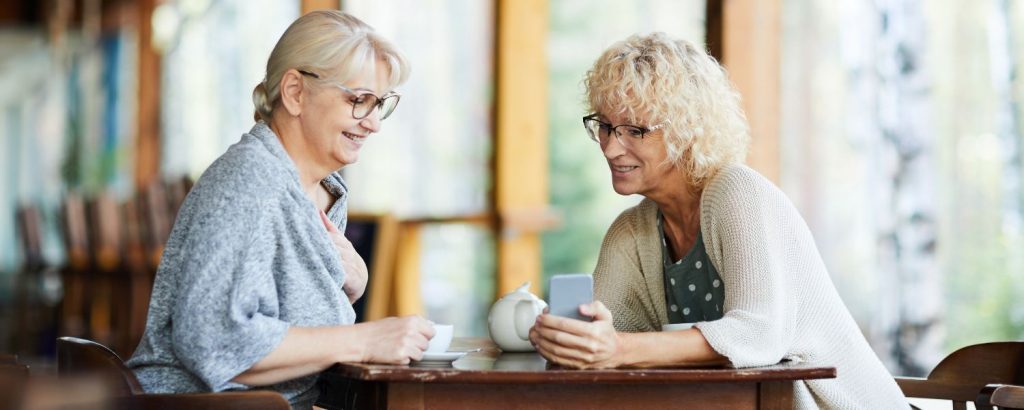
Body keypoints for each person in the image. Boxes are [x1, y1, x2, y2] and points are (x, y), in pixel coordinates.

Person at [529, 33, 909, 409]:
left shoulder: (737, 192)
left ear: (686, 131)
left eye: (635, 130)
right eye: (606, 126)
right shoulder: (631, 231)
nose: (610, 147)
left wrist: (617, 348)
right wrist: (567, 339)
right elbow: (600, 351)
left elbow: (759, 334)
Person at [127, 11, 434, 408]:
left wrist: (346, 289)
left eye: (380, 104)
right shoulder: (250, 181)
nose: (373, 123)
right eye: (359, 100)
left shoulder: (323, 191)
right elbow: (215, 340)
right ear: (294, 93)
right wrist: (366, 338)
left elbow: (287, 328)